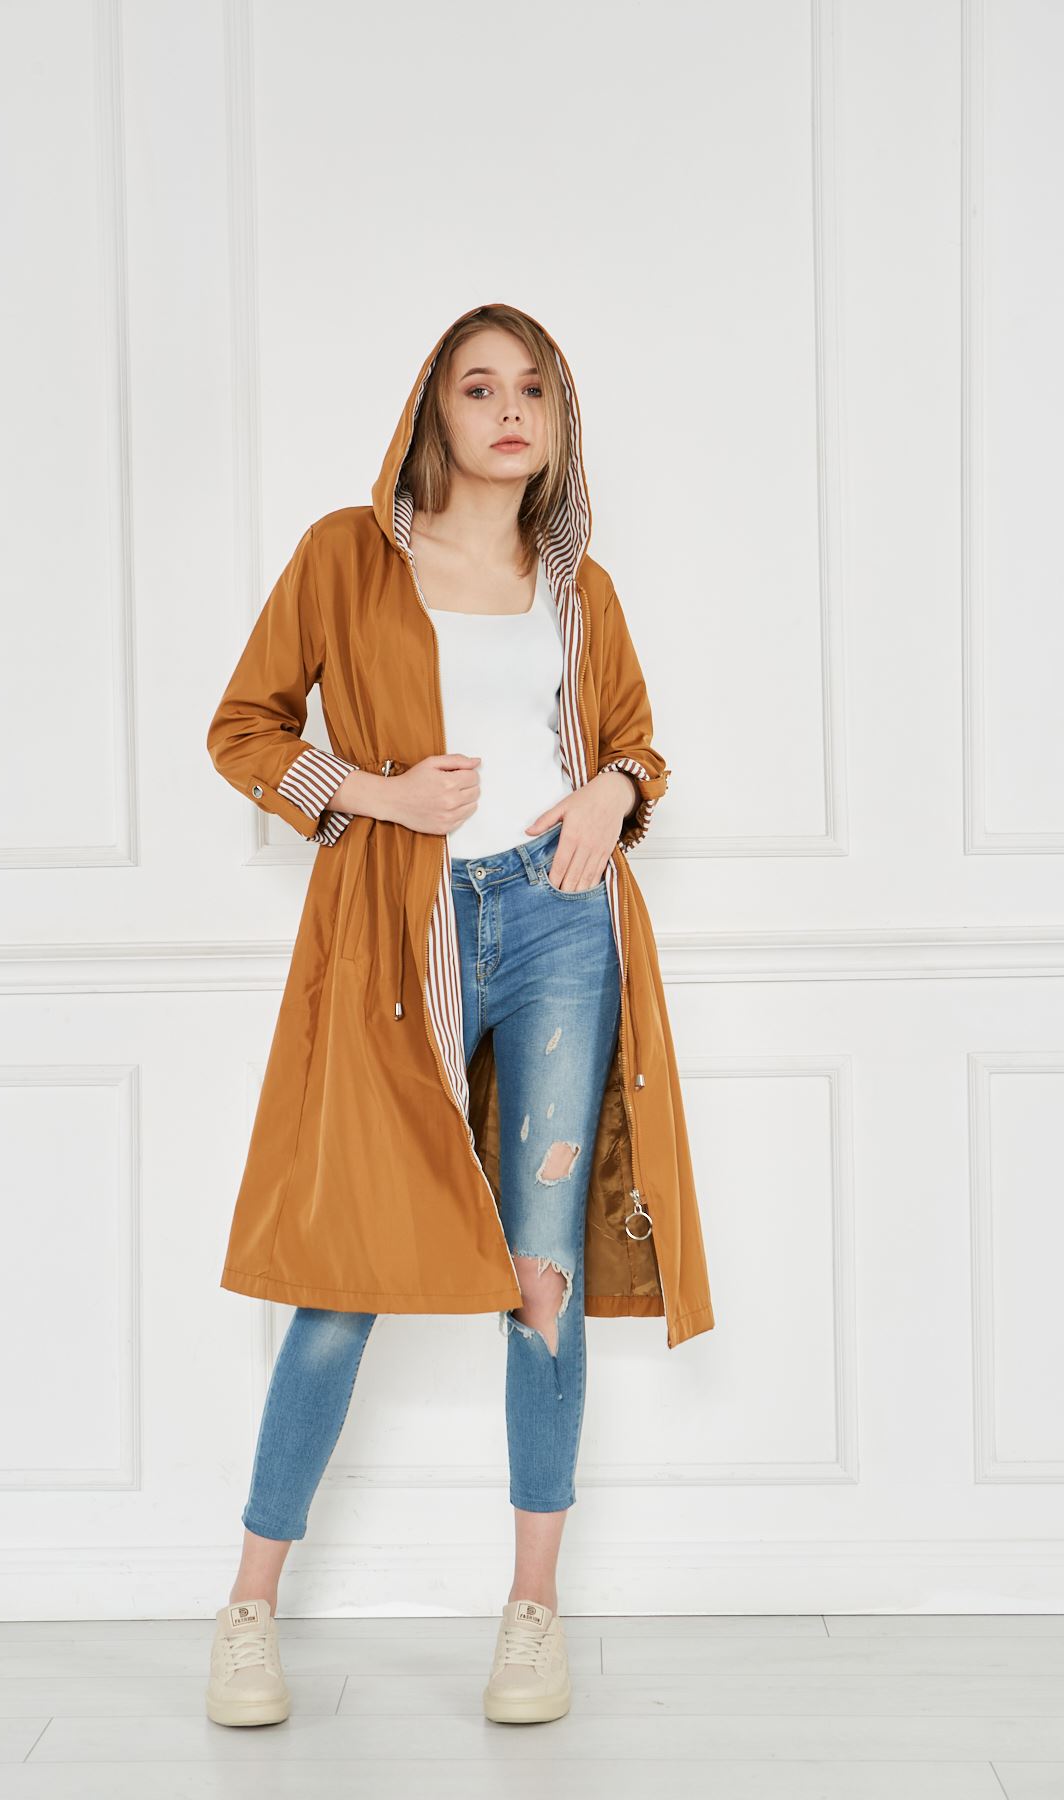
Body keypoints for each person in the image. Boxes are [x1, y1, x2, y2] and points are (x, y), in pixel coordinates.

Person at [203, 301, 711, 1730]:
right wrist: (375, 793)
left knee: (543, 1269)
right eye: (480, 387)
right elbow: (245, 730)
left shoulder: (578, 587)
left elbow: (634, 747)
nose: (508, 411)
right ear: (433, 408)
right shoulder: (346, 555)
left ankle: (532, 1611)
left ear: (558, 421)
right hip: (399, 931)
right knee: (343, 1269)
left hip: (558, 922)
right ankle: (248, 1608)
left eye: (532, 390)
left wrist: (611, 794)